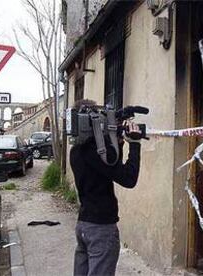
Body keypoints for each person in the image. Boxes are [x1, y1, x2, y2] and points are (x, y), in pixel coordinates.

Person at [70, 99, 142, 276]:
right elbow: (128, 179)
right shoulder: (96, 152)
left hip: (84, 225)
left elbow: (110, 163)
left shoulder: (77, 150)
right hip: (100, 229)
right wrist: (135, 144)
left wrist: (117, 141)